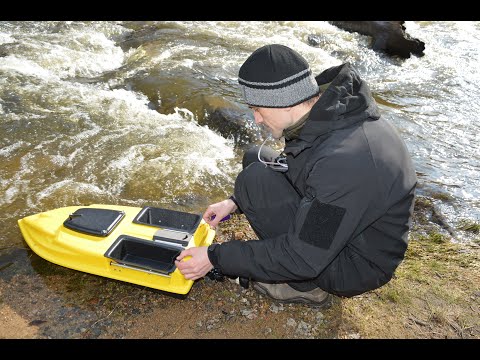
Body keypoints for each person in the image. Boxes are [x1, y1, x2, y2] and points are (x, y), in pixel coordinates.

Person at [175, 44, 417, 307]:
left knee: (253, 179)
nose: (256, 119)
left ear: (282, 101)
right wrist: (234, 203)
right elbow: (304, 168)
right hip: (348, 231)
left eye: (258, 109)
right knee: (255, 157)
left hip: (353, 264)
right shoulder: (331, 116)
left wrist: (215, 257)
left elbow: (302, 257)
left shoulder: (343, 163)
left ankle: (307, 287)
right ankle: (293, 266)